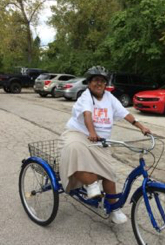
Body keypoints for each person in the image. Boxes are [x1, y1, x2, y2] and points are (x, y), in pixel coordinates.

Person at [59, 66, 151, 224]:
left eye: (102, 81)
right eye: (95, 80)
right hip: (79, 134)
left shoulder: (109, 97)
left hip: (100, 141)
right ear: (89, 82)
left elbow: (124, 113)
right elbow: (87, 114)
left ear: (105, 84)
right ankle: (91, 184)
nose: (98, 83)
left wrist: (141, 126)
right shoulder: (85, 96)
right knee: (75, 150)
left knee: (108, 173)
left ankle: (114, 210)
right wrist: (91, 131)